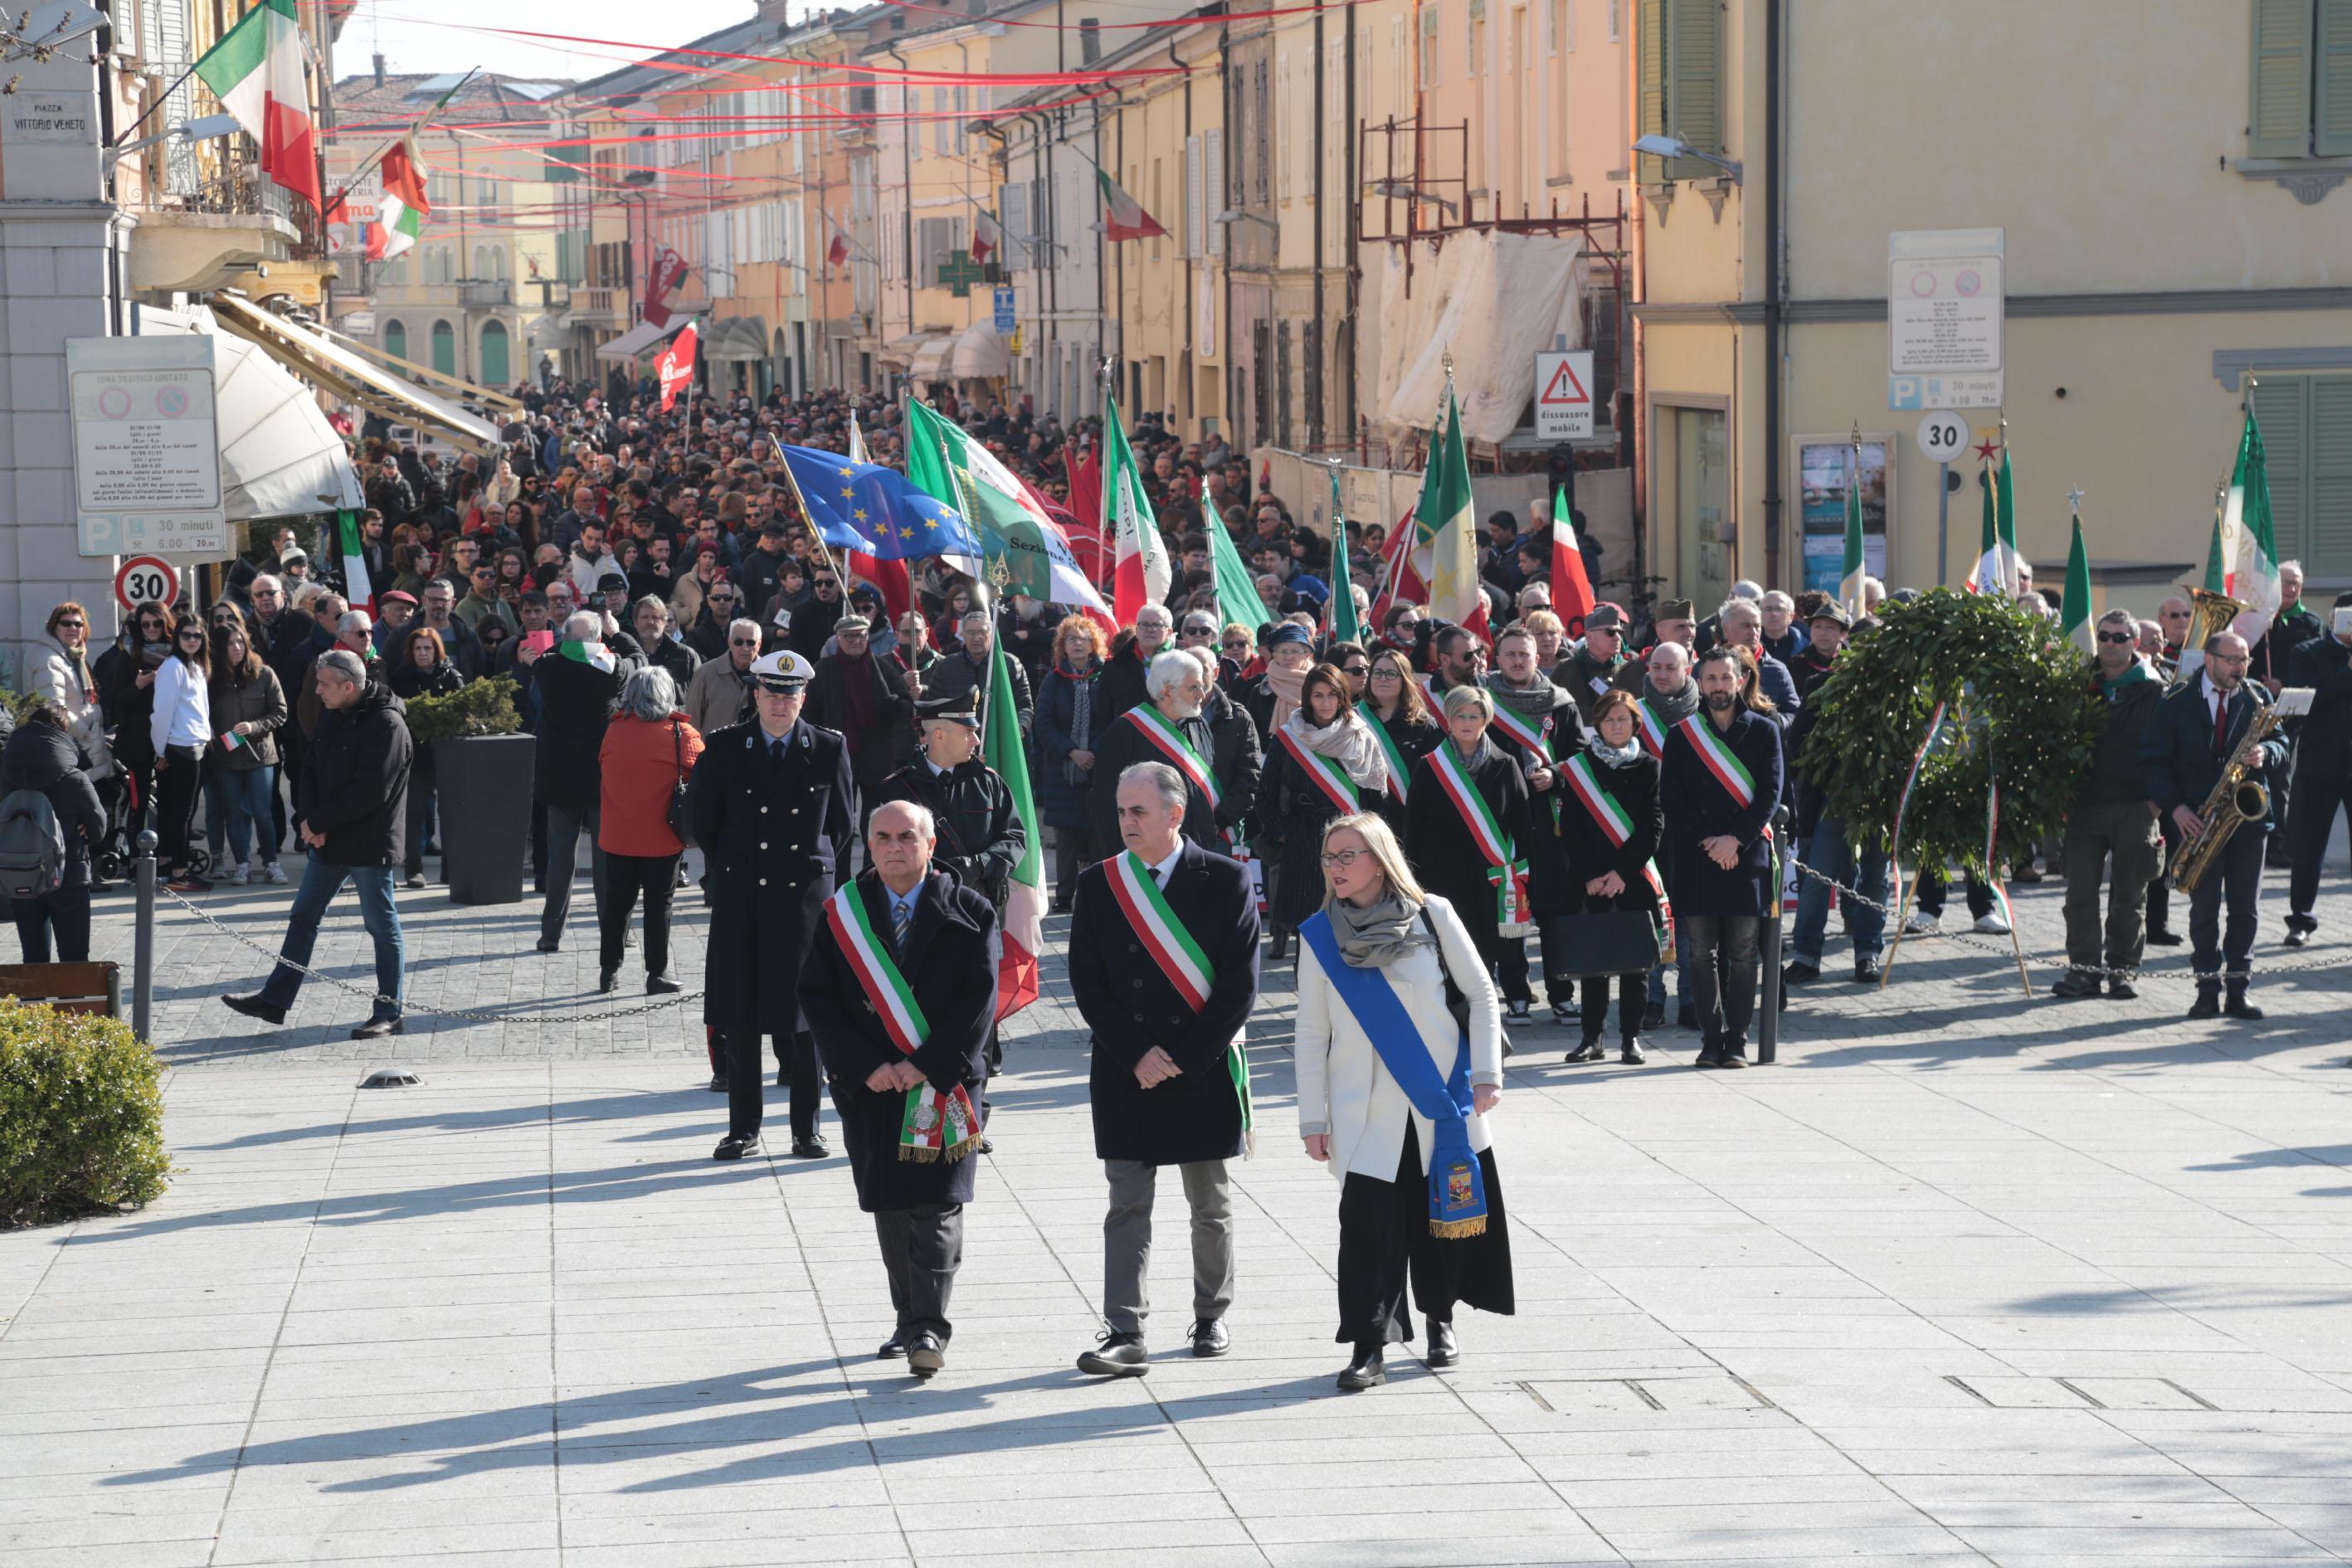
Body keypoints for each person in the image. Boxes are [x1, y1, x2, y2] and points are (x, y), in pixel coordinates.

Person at [1295, 811, 1509, 1390]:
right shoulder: (1318, 935)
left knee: (1437, 1219)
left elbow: (1481, 992)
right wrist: (1312, 1117)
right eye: (1328, 857)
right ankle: (1369, 1347)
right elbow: (1312, 1033)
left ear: (1379, 858)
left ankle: (1440, 1320)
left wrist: (1487, 1072)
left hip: (1438, 1103)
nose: (1334, 867)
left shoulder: (1432, 915)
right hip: (1361, 1113)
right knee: (1367, 1231)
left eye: (1347, 855)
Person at [1066, 762, 1260, 1376]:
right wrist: (1136, 1053)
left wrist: (1182, 1058)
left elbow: (1240, 986)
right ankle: (1124, 1329)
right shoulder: (1099, 885)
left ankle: (1210, 1315)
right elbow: (1086, 982)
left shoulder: (1225, 880)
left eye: (1138, 811)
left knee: (1209, 1202)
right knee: (1127, 1203)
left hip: (1198, 1067)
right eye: (1121, 811)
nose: (1126, 822)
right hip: (1127, 1069)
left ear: (1175, 814)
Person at [801, 799, 1000, 1378]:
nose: (893, 847)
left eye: (906, 837)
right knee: (889, 1200)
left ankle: (929, 1331)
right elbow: (818, 997)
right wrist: (866, 1065)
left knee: (937, 1202)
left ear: (930, 844)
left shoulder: (969, 910)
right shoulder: (843, 915)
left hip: (942, 1084)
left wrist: (925, 1064)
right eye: (882, 837)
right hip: (872, 1087)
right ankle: (908, 1316)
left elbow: (978, 1002)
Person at [691, 649, 859, 1161]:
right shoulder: (724, 747)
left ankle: (806, 1129)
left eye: (790, 695)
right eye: (770, 693)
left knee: (805, 1020)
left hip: (803, 901)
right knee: (740, 1016)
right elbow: (702, 819)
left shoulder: (829, 748)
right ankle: (743, 1127)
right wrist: (730, 872)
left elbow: (845, 826)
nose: (780, 703)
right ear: (755, 694)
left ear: (803, 697)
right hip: (743, 896)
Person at [222, 650, 411, 1040]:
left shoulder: (388, 724)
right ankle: (275, 999)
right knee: (303, 915)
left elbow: (371, 791)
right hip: (328, 838)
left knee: (380, 926)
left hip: (369, 842)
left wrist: (318, 821)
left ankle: (389, 1011)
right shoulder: (334, 714)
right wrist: (307, 822)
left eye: (324, 684)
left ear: (348, 686)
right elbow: (308, 768)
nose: (317, 691)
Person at [2140, 630, 2285, 1021]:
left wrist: (2266, 752)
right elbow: (2155, 761)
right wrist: (2177, 809)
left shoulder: (2258, 697)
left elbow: (2282, 743)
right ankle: (2206, 990)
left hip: (2247, 822)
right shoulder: (2176, 702)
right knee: (2204, 911)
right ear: (2210, 661)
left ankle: (2239, 990)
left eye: (2245, 661)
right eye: (2233, 661)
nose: (2241, 669)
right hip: (2198, 822)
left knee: (2245, 911)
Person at [1659, 646, 1784, 1068]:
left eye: (1725, 678)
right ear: (1699, 683)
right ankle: (1711, 1040)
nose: (1718, 687)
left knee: (1744, 952)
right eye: (1710, 679)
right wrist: (1712, 841)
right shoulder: (1682, 735)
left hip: (1746, 855)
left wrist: (1736, 840)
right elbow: (1671, 801)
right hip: (1698, 856)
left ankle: (1738, 1040)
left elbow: (1770, 795)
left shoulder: (1765, 731)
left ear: (1742, 680)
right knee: (1700, 952)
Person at [2051, 610, 2165, 1000]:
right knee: (2079, 895)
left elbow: (2171, 749)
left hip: (2137, 807)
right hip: (2085, 806)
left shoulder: (2154, 688)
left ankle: (2123, 971)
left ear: (2135, 643)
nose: (2111, 644)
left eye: (2120, 637)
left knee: (2129, 898)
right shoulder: (2078, 684)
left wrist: (2156, 804)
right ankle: (2083, 972)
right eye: (2105, 636)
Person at [1405, 685, 1538, 1016]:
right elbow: (1414, 826)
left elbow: (1523, 823)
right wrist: (1414, 876)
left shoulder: (1505, 764)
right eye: (1460, 715)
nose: (1467, 722)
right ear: (1448, 719)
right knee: (1450, 945)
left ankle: (1491, 1006)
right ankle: (1454, 1009)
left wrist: (1524, 871)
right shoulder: (1430, 766)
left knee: (1490, 945)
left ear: (1486, 719)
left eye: (1474, 715)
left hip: (1493, 875)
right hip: (1443, 874)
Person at [1556, 690, 1663, 1063]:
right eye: (1609, 719)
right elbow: (1570, 827)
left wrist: (1621, 872)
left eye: (1623, 718)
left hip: (1632, 875)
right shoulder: (1579, 768)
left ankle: (1631, 1037)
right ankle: (1592, 1038)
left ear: (1635, 723)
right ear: (1597, 724)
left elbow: (1653, 825)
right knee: (1594, 961)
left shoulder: (1650, 766)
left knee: (1636, 963)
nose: (1616, 725)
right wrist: (1591, 875)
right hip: (1592, 879)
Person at [1259, 663, 1391, 959]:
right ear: (1307, 699)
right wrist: (1285, 834)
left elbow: (1374, 796)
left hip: (1353, 839)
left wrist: (1371, 840)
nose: (1326, 703)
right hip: (1304, 839)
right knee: (1309, 933)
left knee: (1353, 925)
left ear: (1343, 697)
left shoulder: (1360, 735)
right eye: (1318, 696)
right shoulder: (1288, 737)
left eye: (1333, 695)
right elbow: (1265, 795)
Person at [596, 665, 704, 995]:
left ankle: (608, 971)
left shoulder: (614, 730)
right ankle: (656, 973)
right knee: (659, 906)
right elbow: (705, 775)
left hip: (618, 837)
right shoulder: (680, 734)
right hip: (661, 838)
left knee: (618, 904)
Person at [533, 612, 633, 951]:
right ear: (598, 643)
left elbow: (555, 651)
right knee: (607, 860)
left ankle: (550, 934)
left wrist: (574, 641)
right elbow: (639, 659)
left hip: (560, 779)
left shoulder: (546, 668)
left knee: (560, 859)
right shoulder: (612, 670)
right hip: (600, 778)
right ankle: (615, 931)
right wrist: (616, 634)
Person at [1088, 650, 1234, 858]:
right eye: (1194, 687)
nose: (1202, 695)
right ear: (1166, 691)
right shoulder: (1124, 732)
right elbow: (1106, 803)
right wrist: (1122, 859)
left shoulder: (1199, 724)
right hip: (1148, 859)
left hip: (1198, 853)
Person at [0, 702, 105, 962]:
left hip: (20, 874)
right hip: (70, 877)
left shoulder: (3, 776)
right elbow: (99, 829)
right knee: (75, 958)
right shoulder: (73, 779)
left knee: (33, 958)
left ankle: (36, 1003)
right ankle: (73, 1004)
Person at [806, 614, 916, 859]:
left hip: (876, 760)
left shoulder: (882, 668)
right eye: (850, 636)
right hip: (836, 760)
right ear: (838, 638)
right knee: (840, 823)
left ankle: (872, 874)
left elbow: (907, 710)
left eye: (861, 635)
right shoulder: (823, 671)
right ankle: (839, 881)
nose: (856, 641)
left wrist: (896, 705)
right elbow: (809, 715)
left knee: (875, 823)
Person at [2282, 591, 2352, 948]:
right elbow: (2305, 697)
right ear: (2332, 618)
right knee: (2308, 847)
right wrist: (2347, 670)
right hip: (2318, 765)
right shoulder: (2307, 652)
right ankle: (2300, 920)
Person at [1034, 614, 1108, 909]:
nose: (1078, 644)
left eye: (1084, 638)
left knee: (1097, 834)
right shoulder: (1053, 681)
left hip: (1098, 768)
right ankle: (1064, 895)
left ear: (1094, 645)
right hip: (1062, 770)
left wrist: (1093, 752)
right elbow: (1044, 724)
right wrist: (1071, 751)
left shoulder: (1105, 677)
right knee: (1066, 837)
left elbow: (1113, 720)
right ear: (1062, 646)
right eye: (1072, 638)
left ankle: (1096, 895)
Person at [206, 622, 289, 887]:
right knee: (233, 812)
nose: (237, 648)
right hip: (226, 756)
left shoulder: (264, 673)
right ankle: (241, 864)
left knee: (262, 811)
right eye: (230, 643)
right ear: (219, 648)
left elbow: (280, 712)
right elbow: (202, 713)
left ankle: (271, 863)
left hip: (260, 755)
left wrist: (255, 726)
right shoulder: (211, 679)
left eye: (241, 642)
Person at [150, 611, 213, 893]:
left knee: (176, 812)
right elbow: (161, 713)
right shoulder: (172, 667)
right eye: (186, 634)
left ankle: (167, 866)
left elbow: (199, 710)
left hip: (195, 746)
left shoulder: (196, 667)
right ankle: (178, 872)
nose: (192, 640)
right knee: (181, 814)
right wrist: (160, 750)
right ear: (177, 637)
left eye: (197, 635)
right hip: (179, 748)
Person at [28, 601, 111, 772]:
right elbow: (53, 709)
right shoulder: (48, 659)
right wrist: (86, 732)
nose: (73, 628)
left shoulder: (75, 656)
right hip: (74, 748)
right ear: (54, 627)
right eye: (66, 623)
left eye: (78, 624)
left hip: (87, 747)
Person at [685, 617, 763, 739]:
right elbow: (691, 721)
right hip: (714, 753)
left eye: (751, 642)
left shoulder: (768, 676)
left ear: (759, 644)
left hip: (755, 753)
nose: (745, 647)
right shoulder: (706, 673)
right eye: (739, 642)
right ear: (730, 642)